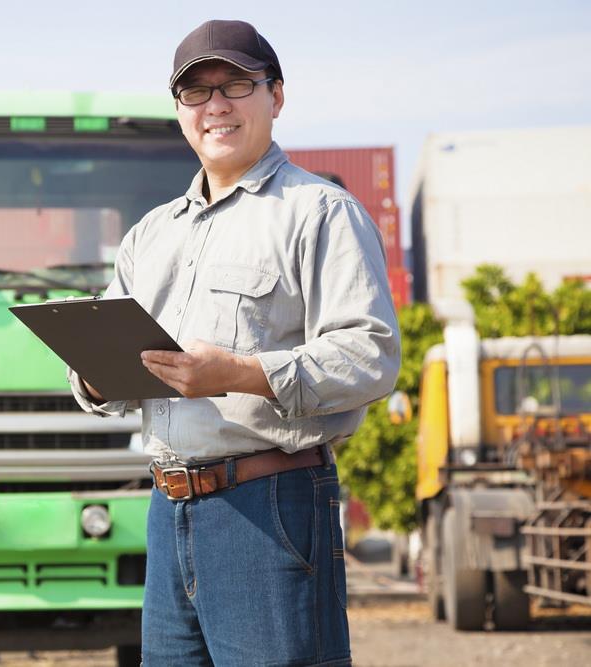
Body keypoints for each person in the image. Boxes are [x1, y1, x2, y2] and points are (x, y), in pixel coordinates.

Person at [68, 19, 400, 667]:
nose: (215, 105)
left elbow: (370, 357)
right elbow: (98, 370)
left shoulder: (319, 211)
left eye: (236, 85)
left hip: (268, 507)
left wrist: (240, 372)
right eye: (196, 92)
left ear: (276, 96)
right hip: (166, 512)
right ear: (179, 111)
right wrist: (97, 378)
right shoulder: (150, 235)